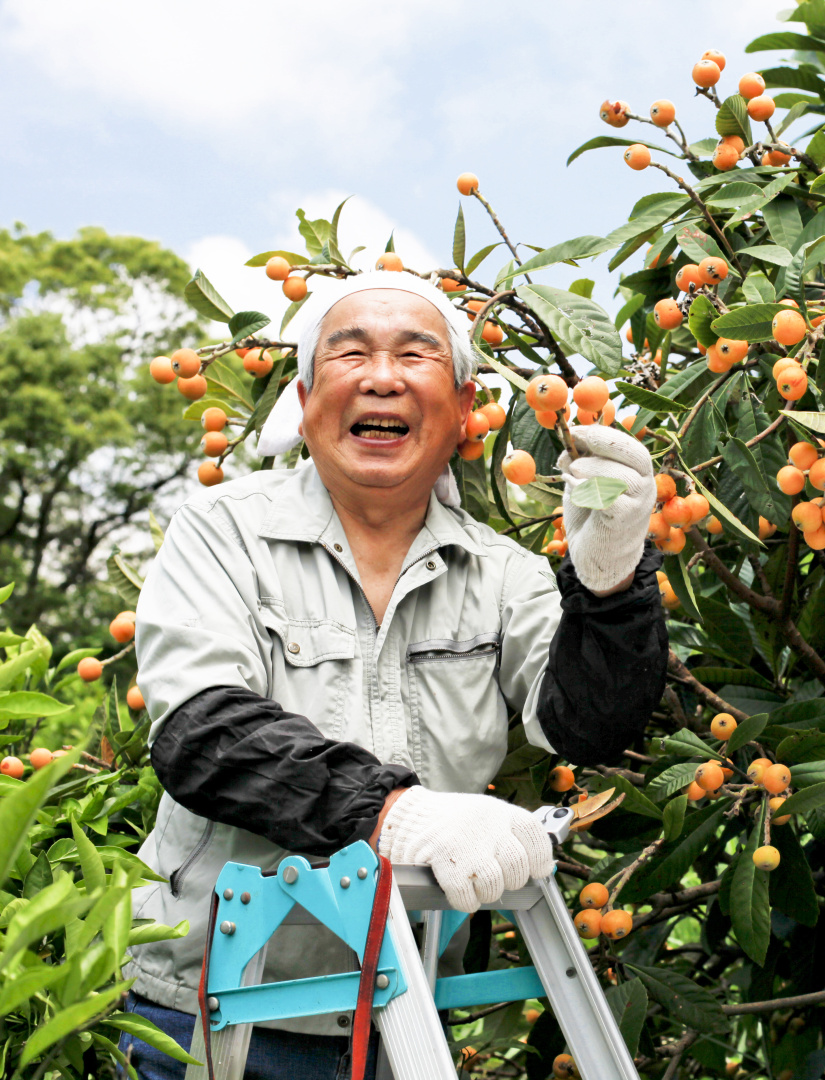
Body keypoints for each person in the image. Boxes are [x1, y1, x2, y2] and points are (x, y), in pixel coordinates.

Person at [117, 271, 667, 1079]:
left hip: (398, 1024)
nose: (382, 375)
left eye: (417, 354)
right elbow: (206, 735)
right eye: (351, 353)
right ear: (304, 397)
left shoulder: (502, 574)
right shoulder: (222, 531)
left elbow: (589, 723)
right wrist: (395, 815)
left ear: (461, 407)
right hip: (207, 1011)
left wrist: (613, 586)